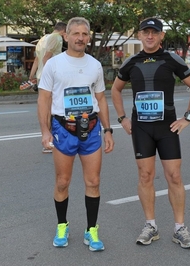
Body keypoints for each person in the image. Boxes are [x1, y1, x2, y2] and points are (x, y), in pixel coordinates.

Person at [111, 17, 190, 249]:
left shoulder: (171, 59)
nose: (150, 36)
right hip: (142, 128)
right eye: (145, 32)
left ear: (162, 36)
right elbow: (115, 89)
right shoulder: (131, 62)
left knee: (174, 176)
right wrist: (122, 119)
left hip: (167, 127)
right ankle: (150, 225)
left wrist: (188, 117)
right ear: (139, 35)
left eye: (154, 32)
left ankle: (180, 228)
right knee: (145, 176)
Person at [37, 17, 114, 252]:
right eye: (76, 33)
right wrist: (45, 131)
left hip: (90, 128)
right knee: (62, 182)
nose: (80, 38)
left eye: (84, 34)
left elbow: (100, 98)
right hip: (63, 129)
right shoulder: (54, 64)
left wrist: (108, 129)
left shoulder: (94, 65)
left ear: (88, 37)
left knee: (93, 181)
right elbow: (44, 98)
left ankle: (92, 230)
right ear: (66, 36)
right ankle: (62, 225)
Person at [28, 22, 67, 153]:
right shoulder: (57, 38)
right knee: (51, 110)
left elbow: (36, 60)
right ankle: (49, 142)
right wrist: (49, 74)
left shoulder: (42, 39)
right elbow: (46, 58)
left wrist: (31, 75)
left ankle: (47, 139)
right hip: (50, 77)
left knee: (44, 107)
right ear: (64, 31)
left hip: (40, 76)